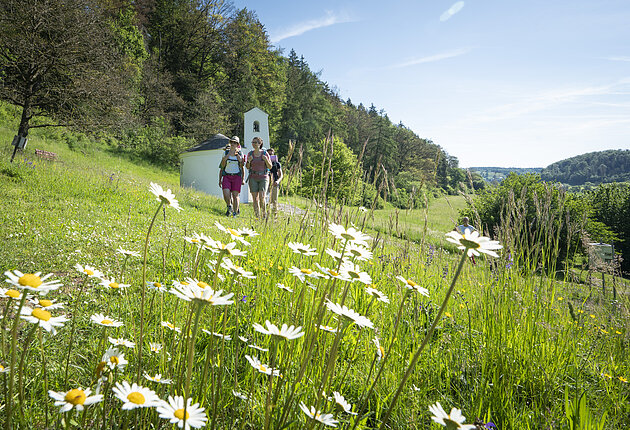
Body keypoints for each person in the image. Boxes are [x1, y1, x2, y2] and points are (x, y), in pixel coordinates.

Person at [246, 137, 272, 219]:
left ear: (260, 144)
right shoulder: (250, 154)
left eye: (256, 142)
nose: (254, 144)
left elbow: (270, 166)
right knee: (255, 198)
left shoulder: (265, 153)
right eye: (253, 142)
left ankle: (264, 215)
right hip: (253, 177)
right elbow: (247, 167)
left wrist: (266, 160)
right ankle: (257, 216)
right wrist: (249, 161)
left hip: (263, 177)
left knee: (262, 196)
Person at [219, 136, 244, 217]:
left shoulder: (240, 154)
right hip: (227, 176)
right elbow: (222, 166)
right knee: (226, 193)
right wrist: (224, 159)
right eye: (231, 142)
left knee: (235, 195)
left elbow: (242, 167)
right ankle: (229, 206)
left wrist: (240, 161)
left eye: (235, 143)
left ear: (237, 144)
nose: (233, 144)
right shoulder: (226, 153)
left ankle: (235, 213)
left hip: (236, 176)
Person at [266, 148, 283, 217]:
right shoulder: (264, 162)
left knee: (274, 200)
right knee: (266, 200)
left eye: (271, 154)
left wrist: (277, 181)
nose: (270, 155)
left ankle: (274, 216)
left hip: (274, 184)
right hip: (266, 183)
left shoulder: (277, 164)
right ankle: (266, 214)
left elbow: (281, 175)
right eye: (269, 154)